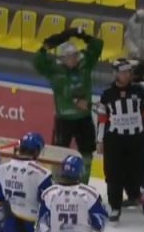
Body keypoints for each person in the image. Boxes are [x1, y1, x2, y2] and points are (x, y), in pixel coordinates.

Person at [34, 26, 103, 184]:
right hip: (64, 119)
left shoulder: (85, 64)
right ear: (62, 58)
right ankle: (55, 182)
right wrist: (52, 42)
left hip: (84, 118)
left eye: (75, 55)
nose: (74, 59)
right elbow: (37, 60)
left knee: (87, 153)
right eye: (69, 56)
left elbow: (98, 45)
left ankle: (83, 182)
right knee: (58, 152)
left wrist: (84, 37)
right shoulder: (53, 70)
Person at [96, 58, 144, 221]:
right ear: (115, 74)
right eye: (122, 72)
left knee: (140, 170)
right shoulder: (107, 95)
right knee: (113, 173)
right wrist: (100, 140)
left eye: (128, 72)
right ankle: (115, 206)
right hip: (115, 139)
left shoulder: (140, 91)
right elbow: (102, 120)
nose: (126, 75)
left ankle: (137, 196)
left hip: (138, 138)